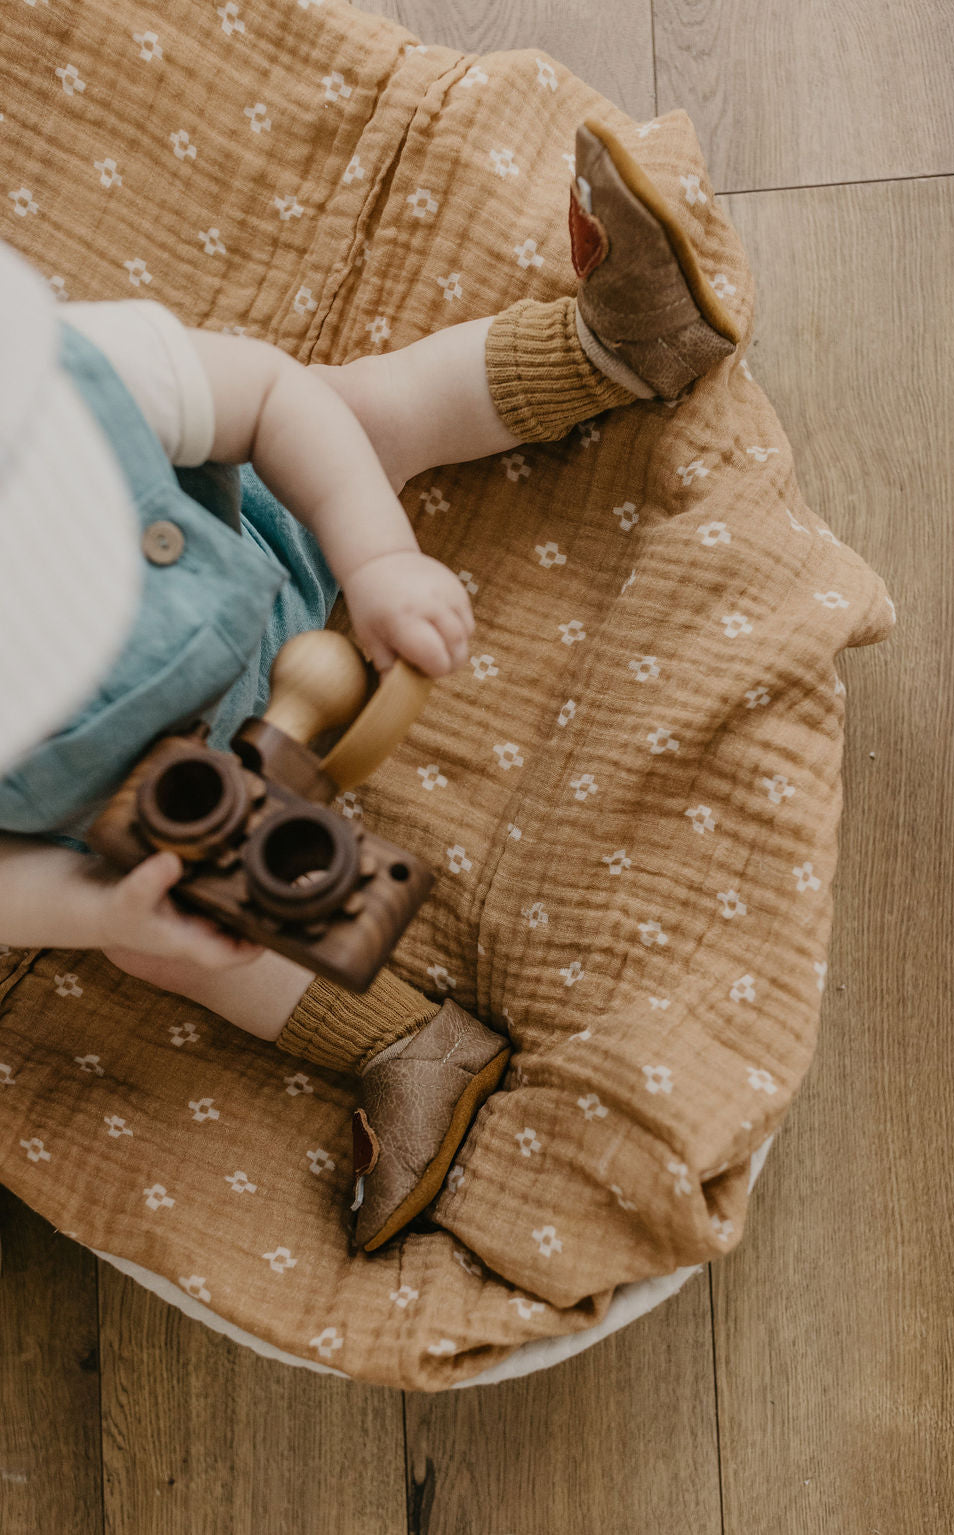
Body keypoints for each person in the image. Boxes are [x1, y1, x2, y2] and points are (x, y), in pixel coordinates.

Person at [0, 121, 739, 1250]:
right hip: (126, 821)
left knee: (358, 412)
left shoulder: (71, 375)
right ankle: (407, 1043)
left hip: (262, 553)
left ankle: (617, 345)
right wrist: (97, 905)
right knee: (166, 946)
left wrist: (375, 555)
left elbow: (264, 397)